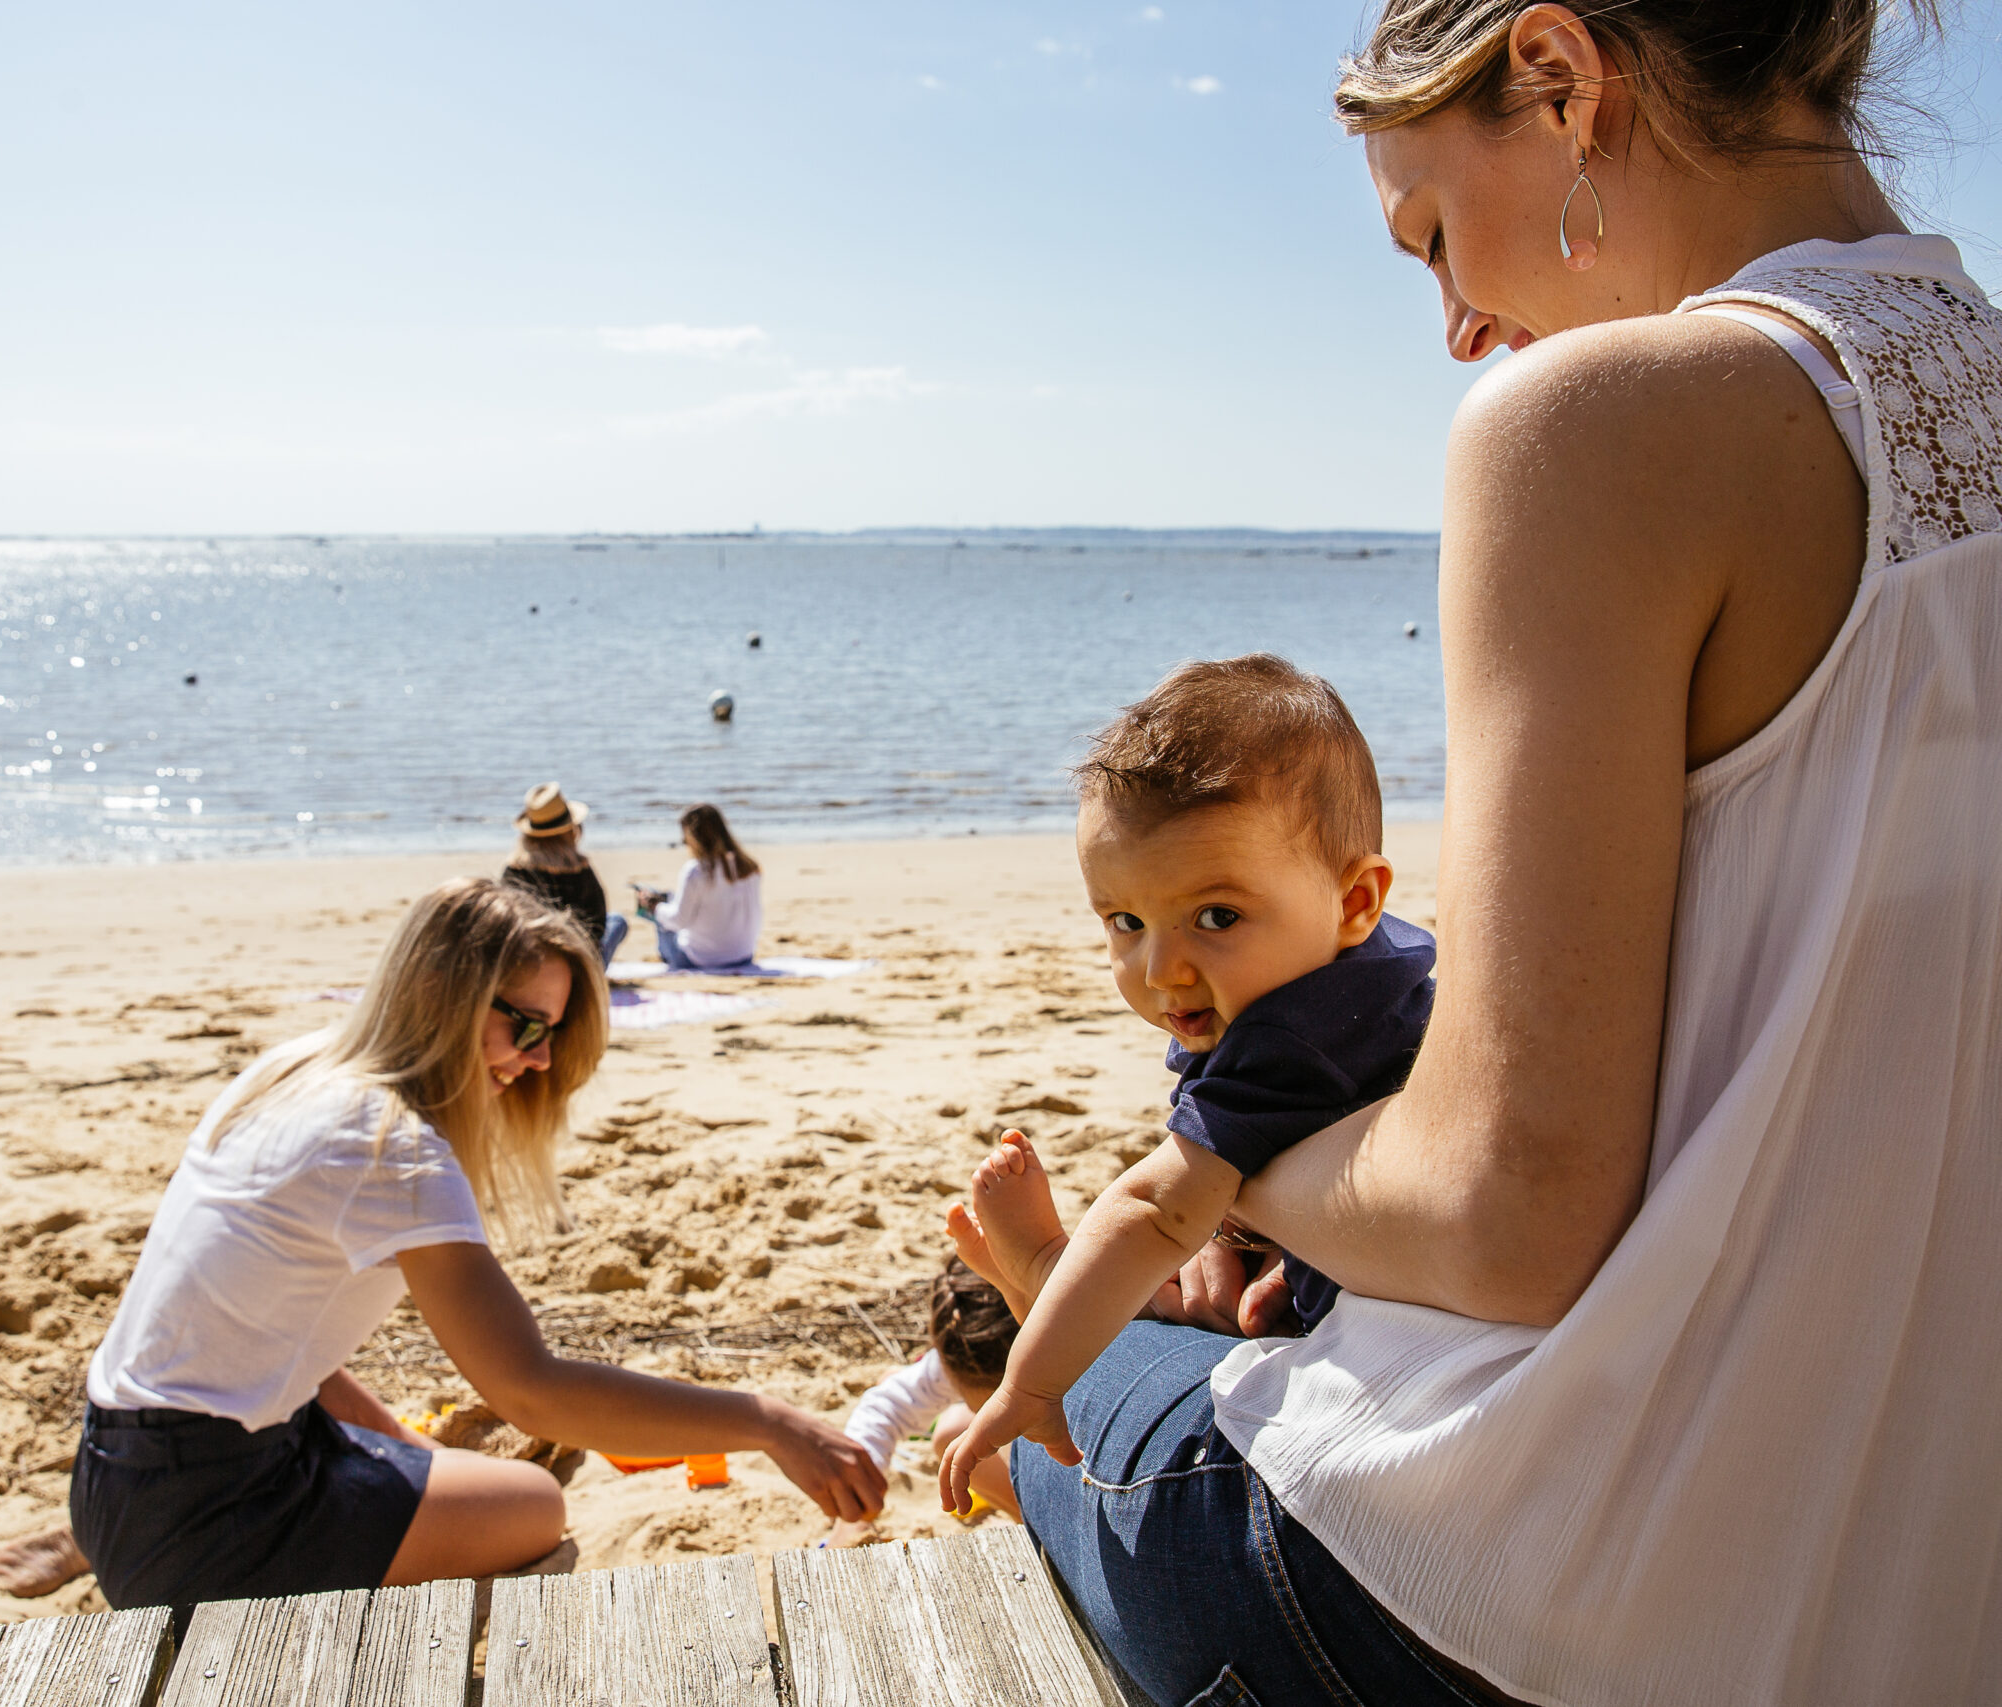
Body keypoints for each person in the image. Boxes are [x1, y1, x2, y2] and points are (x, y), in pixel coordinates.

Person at [959, 5, 2002, 1703]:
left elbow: (1512, 1218)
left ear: (1561, 77)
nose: (1453, 324)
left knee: (1057, 1415)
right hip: (1925, 1608)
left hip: (1529, 1610)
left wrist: (1236, 1174)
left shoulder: (1602, 427)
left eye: (1433, 229)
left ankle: (1094, 1280)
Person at [67, 878, 882, 1607]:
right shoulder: (390, 1145)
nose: (539, 1060)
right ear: (438, 993)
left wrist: (410, 1449)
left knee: (470, 1476)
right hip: (206, 1513)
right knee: (536, 1505)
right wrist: (770, 1421)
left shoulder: (294, 1069)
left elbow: (276, 1339)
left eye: (552, 1032)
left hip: (116, 1470)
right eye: (526, 1025)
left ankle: (100, 1548)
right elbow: (531, 1388)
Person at [936, 656, 1435, 1505]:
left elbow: (1153, 1210)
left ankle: (1049, 1278)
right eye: (1125, 921)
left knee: (1151, 1277)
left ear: (1355, 899)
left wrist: (1031, 1386)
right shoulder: (1383, 968)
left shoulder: (1286, 1037)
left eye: (1216, 917)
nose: (1163, 969)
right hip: (1364, 1284)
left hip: (1366, 1365)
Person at [823, 1257, 1021, 1546]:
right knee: (952, 1431)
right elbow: (887, 1404)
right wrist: (857, 1501)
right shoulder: (965, 1349)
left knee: (957, 1432)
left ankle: (1040, 1523)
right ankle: (1027, 1515)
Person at [499, 781, 627, 966]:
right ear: (570, 830)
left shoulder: (514, 871)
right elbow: (597, 927)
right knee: (617, 921)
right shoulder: (579, 870)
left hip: (528, 964)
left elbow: (505, 926)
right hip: (577, 970)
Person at [633, 802, 763, 969]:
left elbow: (678, 921)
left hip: (700, 959)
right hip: (743, 955)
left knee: (662, 916)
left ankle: (666, 952)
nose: (683, 841)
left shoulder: (696, 870)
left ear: (694, 836)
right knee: (673, 900)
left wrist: (654, 907)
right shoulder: (749, 867)